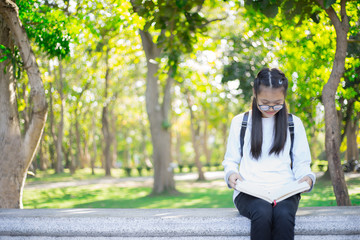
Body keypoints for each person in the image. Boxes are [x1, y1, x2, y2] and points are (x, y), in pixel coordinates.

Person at [222, 68, 316, 240]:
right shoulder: (240, 122)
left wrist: (308, 178)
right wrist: (231, 174)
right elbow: (230, 160)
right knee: (262, 212)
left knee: (283, 215)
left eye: (278, 103)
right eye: (264, 103)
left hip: (284, 191)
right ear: (255, 94)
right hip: (249, 191)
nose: (271, 108)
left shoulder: (293, 123)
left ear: (285, 97)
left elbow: (302, 163)